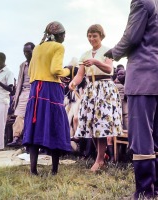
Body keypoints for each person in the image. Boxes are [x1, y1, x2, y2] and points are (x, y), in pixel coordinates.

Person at [104, 0, 158, 198]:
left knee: (142, 135)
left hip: (143, 75)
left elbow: (132, 36)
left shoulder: (141, 2)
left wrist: (113, 52)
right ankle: (155, 186)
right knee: (156, 135)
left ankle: (145, 191)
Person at [69, 24, 122, 172]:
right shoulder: (85, 54)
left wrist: (96, 62)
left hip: (104, 87)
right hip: (91, 89)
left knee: (102, 124)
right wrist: (73, 82)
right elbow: (80, 75)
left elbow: (109, 69)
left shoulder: (107, 51)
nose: (92, 39)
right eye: (89, 36)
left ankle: (99, 160)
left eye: (95, 36)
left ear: (101, 36)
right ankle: (102, 155)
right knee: (91, 124)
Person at [22, 21, 71, 175]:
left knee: (35, 126)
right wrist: (68, 71)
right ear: (58, 35)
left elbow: (31, 71)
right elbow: (56, 69)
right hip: (51, 90)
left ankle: (33, 170)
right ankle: (54, 170)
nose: (64, 37)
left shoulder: (37, 48)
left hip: (35, 90)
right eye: (63, 34)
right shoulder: (59, 47)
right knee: (55, 125)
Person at [7, 42, 35, 147]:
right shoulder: (22, 65)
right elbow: (19, 81)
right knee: (19, 116)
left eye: (28, 51)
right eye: (24, 52)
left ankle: (29, 140)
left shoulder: (38, 63)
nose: (26, 54)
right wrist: (16, 96)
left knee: (32, 117)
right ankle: (16, 138)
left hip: (34, 92)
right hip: (23, 92)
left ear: (34, 51)